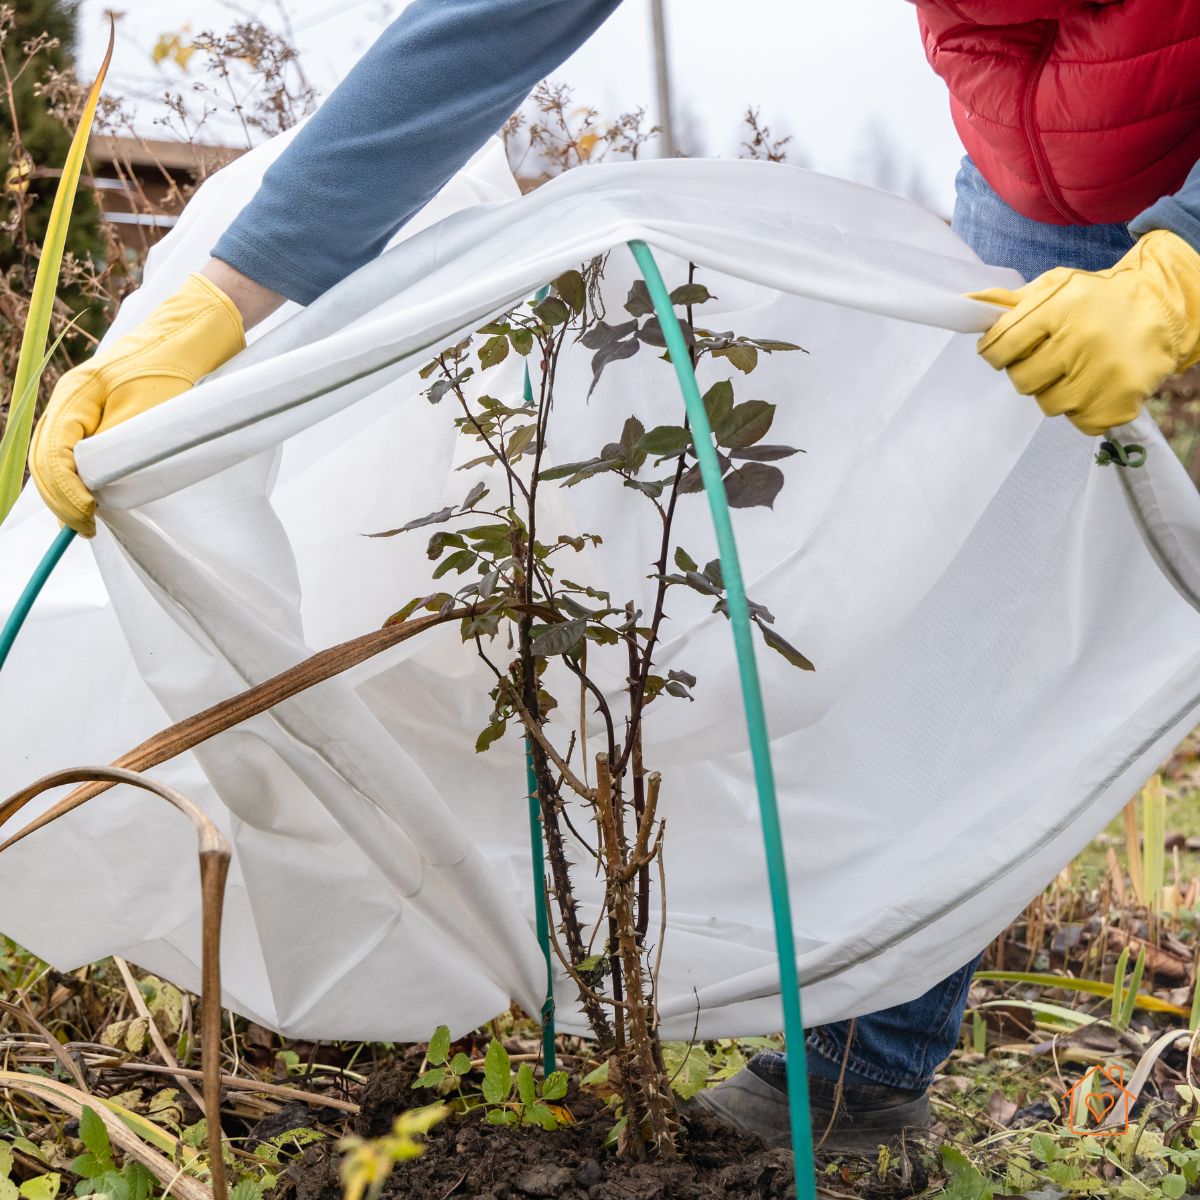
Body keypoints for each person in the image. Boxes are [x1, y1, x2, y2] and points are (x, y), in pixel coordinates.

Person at [28, 0, 1200, 1153]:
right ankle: (862, 1075)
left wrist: (1182, 259)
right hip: (1055, 155)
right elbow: (493, 20)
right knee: (959, 563)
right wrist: (218, 302)